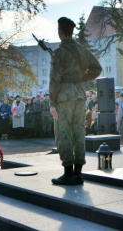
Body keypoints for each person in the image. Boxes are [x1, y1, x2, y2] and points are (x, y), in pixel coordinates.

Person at [50, 17, 102, 186]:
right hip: (79, 96)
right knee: (79, 132)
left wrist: (52, 102)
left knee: (63, 133)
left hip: (63, 98)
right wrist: (80, 79)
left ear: (60, 32)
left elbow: (54, 79)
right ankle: (78, 174)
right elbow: (97, 68)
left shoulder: (59, 52)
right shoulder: (82, 50)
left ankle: (68, 173)